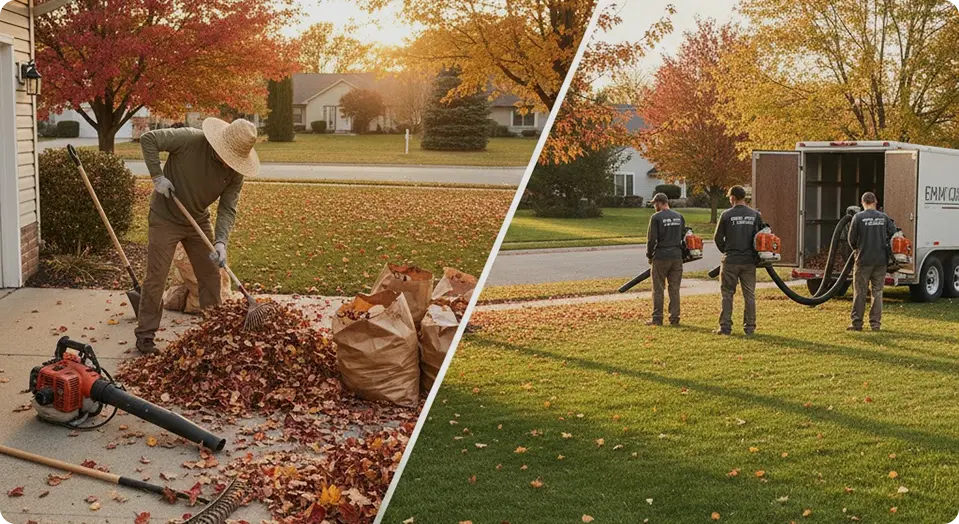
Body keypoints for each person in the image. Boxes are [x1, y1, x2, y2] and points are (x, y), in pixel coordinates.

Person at [134, 118, 260, 354]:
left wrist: (221, 242)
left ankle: (213, 330)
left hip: (198, 220)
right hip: (165, 217)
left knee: (211, 275)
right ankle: (145, 337)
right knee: (156, 278)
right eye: (228, 155)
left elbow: (227, 208)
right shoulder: (190, 139)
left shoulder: (235, 172)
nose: (229, 163)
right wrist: (157, 177)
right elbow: (148, 139)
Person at [714, 185, 764, 336]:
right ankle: (749, 327)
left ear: (733, 198)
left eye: (730, 198)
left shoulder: (726, 215)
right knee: (749, 294)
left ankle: (725, 327)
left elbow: (717, 238)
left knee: (727, 294)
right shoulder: (755, 215)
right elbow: (761, 238)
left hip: (730, 260)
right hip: (749, 261)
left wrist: (727, 251)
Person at [847, 192, 896, 332]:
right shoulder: (884, 217)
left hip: (863, 260)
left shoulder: (858, 217)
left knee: (860, 292)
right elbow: (893, 235)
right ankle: (875, 324)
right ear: (875, 202)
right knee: (878, 292)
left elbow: (851, 240)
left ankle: (857, 324)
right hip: (881, 261)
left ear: (862, 203)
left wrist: (858, 249)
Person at [646, 193, 686, 326]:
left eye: (654, 204)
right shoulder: (679, 217)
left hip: (661, 256)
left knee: (658, 289)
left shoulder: (656, 217)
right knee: (674, 289)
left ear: (659, 203)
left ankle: (657, 318)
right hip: (676, 256)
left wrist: (650, 255)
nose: (654, 206)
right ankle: (675, 318)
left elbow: (651, 239)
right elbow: (683, 235)